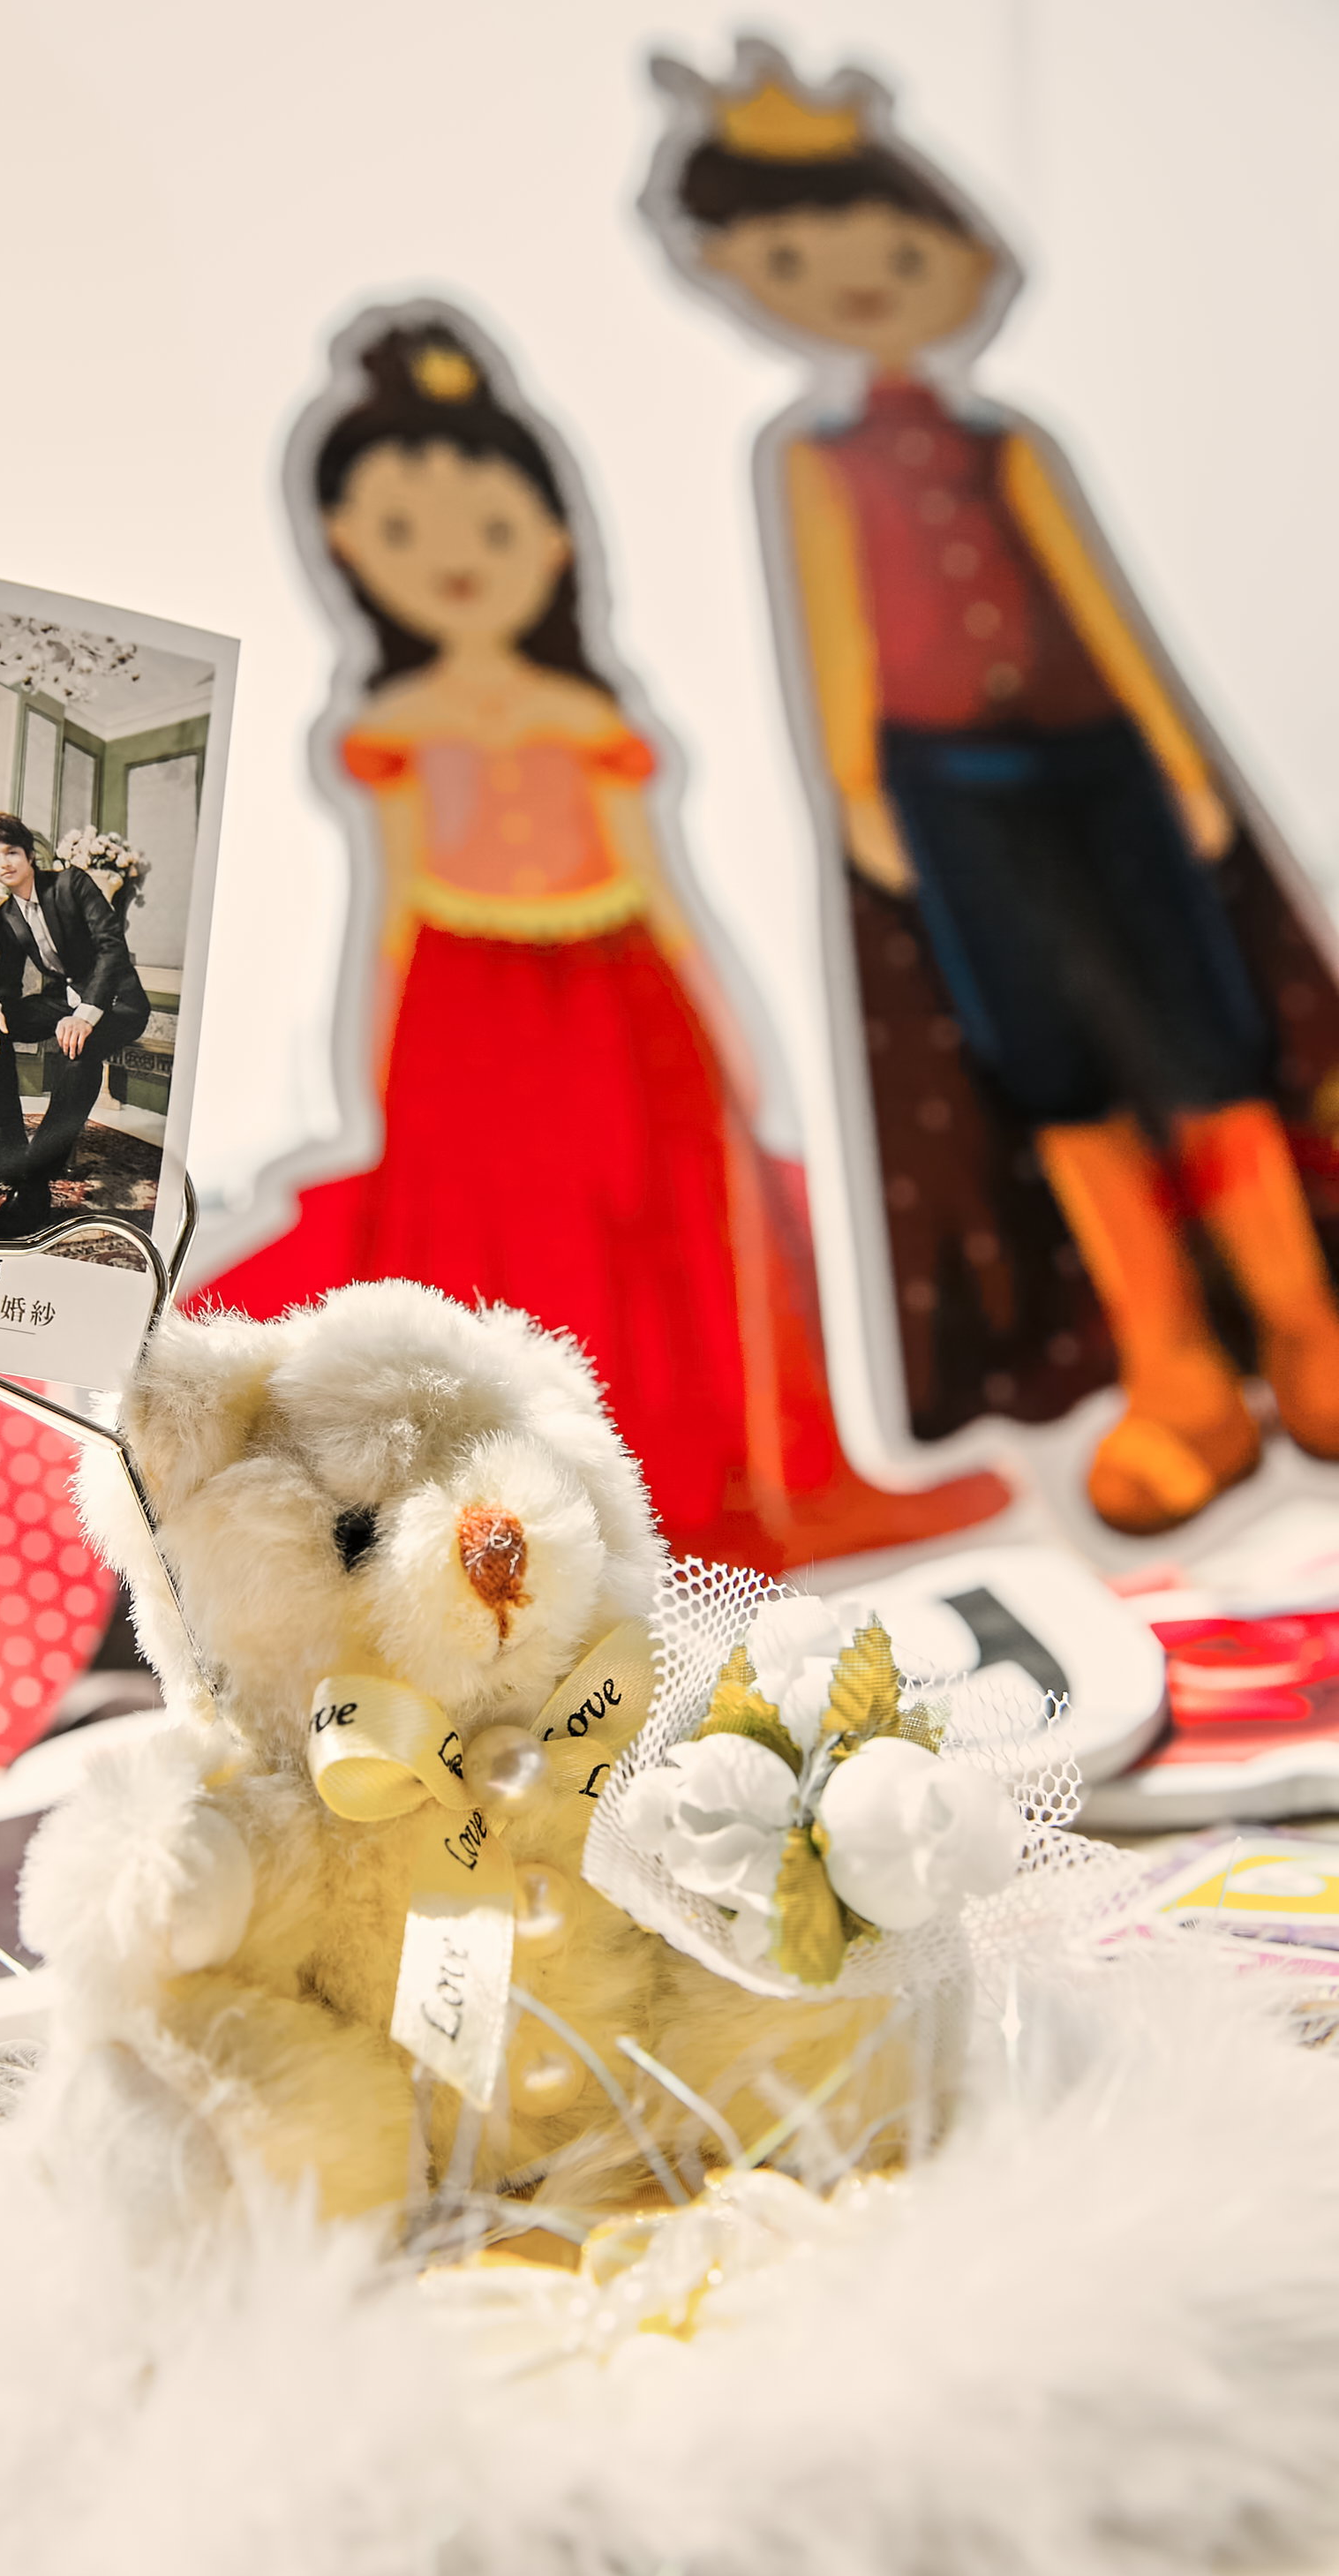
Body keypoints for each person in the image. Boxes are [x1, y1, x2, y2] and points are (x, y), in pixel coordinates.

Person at [643, 43, 1339, 1535]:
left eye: (892, 250)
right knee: (1053, 1075)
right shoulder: (815, 469)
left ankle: (1304, 1327)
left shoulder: (1009, 446)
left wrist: (1177, 760)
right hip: (952, 805)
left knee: (1207, 1045)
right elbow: (839, 641)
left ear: (951, 251)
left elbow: (1097, 609)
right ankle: (1175, 1371)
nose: (857, 283)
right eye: (795, 259)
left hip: (1107, 776)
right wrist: (859, 796)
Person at [202, 314, 1004, 1567]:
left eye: (491, 528)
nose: (453, 559)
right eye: (403, 531)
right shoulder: (395, 726)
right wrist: (377, 1083)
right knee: (499, 1234)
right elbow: (393, 908)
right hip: (465, 1003)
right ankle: (514, 1509)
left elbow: (659, 882)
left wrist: (734, 1046)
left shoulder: (585, 717)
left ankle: (694, 1476)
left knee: (665, 1224)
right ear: (349, 545)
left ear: (553, 538)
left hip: (624, 987)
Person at [0, 811, 151, 1239]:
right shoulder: (6, 915)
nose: (4, 863)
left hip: (117, 1003)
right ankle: (12, 1152)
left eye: (11, 852)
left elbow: (111, 949)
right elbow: (9, 982)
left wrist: (87, 1015)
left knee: (79, 1052)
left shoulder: (72, 884)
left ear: (29, 855)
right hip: (61, 1002)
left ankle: (35, 1183)